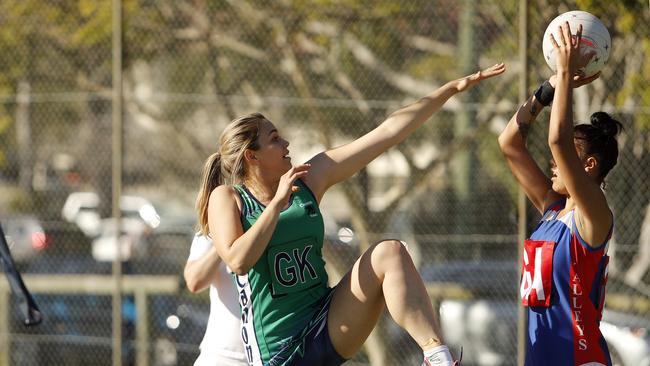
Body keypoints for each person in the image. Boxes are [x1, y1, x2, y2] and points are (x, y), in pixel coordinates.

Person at [195, 62, 505, 366]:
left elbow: (387, 133)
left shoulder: (309, 179)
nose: (286, 143)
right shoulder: (229, 197)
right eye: (275, 139)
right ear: (252, 155)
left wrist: (449, 90)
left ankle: (438, 358)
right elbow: (237, 261)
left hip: (326, 322)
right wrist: (276, 204)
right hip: (279, 354)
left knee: (389, 252)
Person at [498, 22, 622, 366]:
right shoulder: (553, 210)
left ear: (590, 165)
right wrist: (550, 87)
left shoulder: (593, 215)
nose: (554, 164)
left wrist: (567, 73)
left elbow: (558, 140)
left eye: (566, 159)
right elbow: (509, 143)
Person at [184, 233, 248, 366]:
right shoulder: (210, 231)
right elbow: (194, 281)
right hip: (222, 356)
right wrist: (224, 242)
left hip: (275, 354)